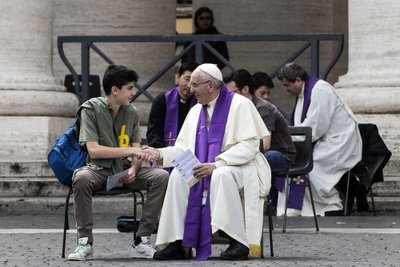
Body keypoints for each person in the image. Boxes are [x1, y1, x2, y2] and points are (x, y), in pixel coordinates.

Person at [142, 63, 271, 261]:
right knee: (178, 175)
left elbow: (249, 147)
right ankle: (178, 242)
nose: (190, 89)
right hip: (203, 166)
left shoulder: (240, 105)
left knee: (221, 174)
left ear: (210, 85)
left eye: (195, 84)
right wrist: (158, 154)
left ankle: (238, 242)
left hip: (239, 166)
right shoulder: (196, 111)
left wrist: (217, 164)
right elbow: (183, 150)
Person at [67, 65, 169, 261]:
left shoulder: (132, 112)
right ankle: (85, 242)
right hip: (98, 170)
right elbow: (94, 150)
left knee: (161, 176)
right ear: (115, 90)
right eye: (130, 88)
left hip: (123, 171)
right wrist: (131, 151)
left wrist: (134, 167)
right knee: (81, 177)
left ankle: (142, 239)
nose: (133, 92)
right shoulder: (90, 109)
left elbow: (137, 150)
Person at [276, 62, 362, 217]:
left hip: (339, 141)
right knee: (297, 163)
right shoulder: (304, 92)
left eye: (286, 85)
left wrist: (293, 140)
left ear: (297, 81)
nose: (285, 89)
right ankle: (302, 207)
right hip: (324, 140)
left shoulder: (320, 90)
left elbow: (317, 125)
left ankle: (331, 204)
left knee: (310, 168)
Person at [224, 69, 296, 214]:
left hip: (282, 155)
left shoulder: (263, 108)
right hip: (256, 152)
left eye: (231, 93)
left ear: (245, 89)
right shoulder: (237, 108)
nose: (228, 97)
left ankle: (255, 206)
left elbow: (265, 144)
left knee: (252, 161)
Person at [146, 62, 198, 148]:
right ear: (178, 77)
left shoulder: (200, 102)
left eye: (194, 82)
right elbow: (154, 134)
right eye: (187, 79)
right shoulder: (162, 101)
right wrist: (165, 154)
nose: (189, 85)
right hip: (165, 152)